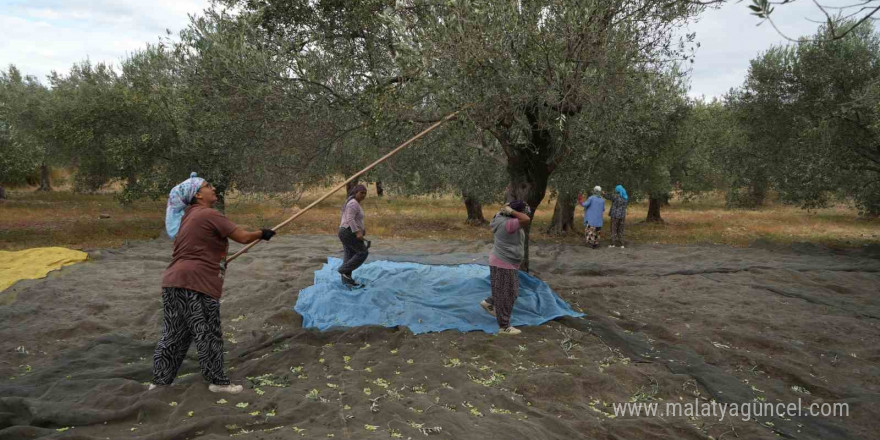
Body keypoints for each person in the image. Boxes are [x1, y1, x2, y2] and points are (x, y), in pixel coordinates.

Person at [151, 173, 276, 394]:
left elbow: (199, 247)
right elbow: (243, 237)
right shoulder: (209, 214)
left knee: (174, 334)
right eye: (208, 186)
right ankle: (217, 382)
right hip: (196, 284)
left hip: (173, 282)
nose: (213, 188)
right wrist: (262, 233)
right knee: (207, 332)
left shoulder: (188, 217)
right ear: (198, 195)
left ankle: (160, 382)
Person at [479, 200, 531, 335]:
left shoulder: (500, 217)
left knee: (506, 291)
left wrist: (509, 208)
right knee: (508, 295)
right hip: (504, 263)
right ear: (513, 213)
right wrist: (512, 210)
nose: (523, 213)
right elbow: (526, 219)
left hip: (503, 261)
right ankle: (504, 327)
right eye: (521, 211)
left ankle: (488, 302)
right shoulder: (509, 224)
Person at [338, 184, 370, 287]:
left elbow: (354, 219)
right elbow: (350, 219)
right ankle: (343, 270)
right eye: (361, 193)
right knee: (363, 252)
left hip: (345, 232)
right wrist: (357, 232)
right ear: (356, 192)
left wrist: (361, 229)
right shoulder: (353, 204)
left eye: (365, 193)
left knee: (349, 256)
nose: (363, 195)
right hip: (348, 232)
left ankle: (347, 282)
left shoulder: (354, 203)